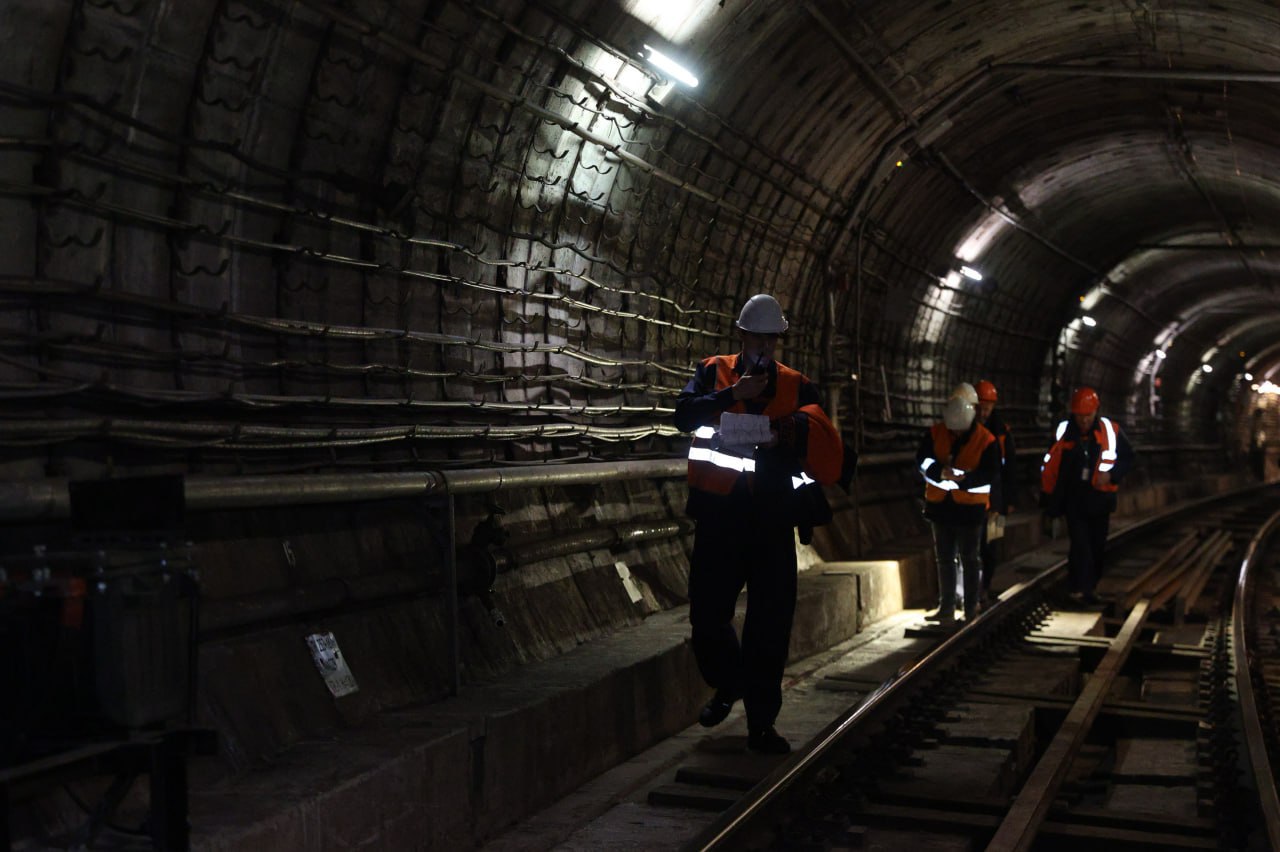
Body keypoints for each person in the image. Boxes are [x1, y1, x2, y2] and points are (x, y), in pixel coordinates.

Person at [674, 294, 842, 755]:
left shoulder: (797, 385)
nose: (764, 346)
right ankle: (728, 684)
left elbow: (823, 448)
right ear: (742, 335)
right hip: (719, 517)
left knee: (769, 627)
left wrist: (790, 435)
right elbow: (682, 416)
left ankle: (761, 726)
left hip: (770, 522)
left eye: (772, 338)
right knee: (707, 617)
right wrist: (734, 395)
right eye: (757, 337)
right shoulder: (712, 371)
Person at [1040, 387, 1136, 604]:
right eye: (1080, 415)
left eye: (1088, 415)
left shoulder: (1110, 431)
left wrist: (1112, 475)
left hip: (1101, 499)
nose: (1084, 420)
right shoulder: (1063, 431)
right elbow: (1050, 465)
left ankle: (1090, 587)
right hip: (1075, 498)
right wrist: (1049, 499)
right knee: (1080, 544)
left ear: (1096, 411)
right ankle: (1077, 589)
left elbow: (1129, 457)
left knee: (1097, 545)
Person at [917, 393, 999, 626]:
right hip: (940, 507)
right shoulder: (936, 433)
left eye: (960, 431)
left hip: (971, 511)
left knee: (970, 558)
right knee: (944, 559)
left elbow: (991, 475)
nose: (956, 435)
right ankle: (947, 607)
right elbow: (922, 461)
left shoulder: (987, 440)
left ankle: (971, 606)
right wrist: (939, 472)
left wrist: (965, 479)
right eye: (953, 431)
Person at [974, 380, 1017, 602]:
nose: (983, 411)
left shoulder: (1002, 433)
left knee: (992, 546)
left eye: (987, 407)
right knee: (973, 546)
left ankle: (985, 586)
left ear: (993, 406)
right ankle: (974, 589)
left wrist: (1009, 500)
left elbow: (1010, 467)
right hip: (974, 501)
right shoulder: (966, 429)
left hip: (997, 502)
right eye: (979, 406)